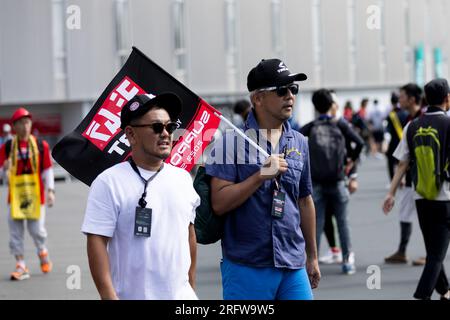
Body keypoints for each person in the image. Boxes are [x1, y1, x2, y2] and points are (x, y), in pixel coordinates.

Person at [206, 58, 320, 300]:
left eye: (293, 89)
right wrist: (259, 177)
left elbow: (305, 201)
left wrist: (312, 256)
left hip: (293, 264)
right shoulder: (230, 143)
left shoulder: (299, 142)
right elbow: (219, 202)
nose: (290, 96)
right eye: (281, 90)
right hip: (247, 266)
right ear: (257, 98)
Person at [81, 93, 199, 300]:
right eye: (156, 127)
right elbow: (97, 241)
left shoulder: (183, 178)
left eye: (169, 127)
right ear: (131, 134)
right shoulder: (108, 182)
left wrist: (190, 288)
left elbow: (189, 235)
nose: (165, 134)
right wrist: (109, 297)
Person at [383, 78, 450, 300]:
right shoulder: (448, 124)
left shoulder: (412, 125)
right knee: (436, 256)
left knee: (433, 250)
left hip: (420, 196)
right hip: (445, 197)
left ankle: (445, 291)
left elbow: (402, 163)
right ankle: (422, 296)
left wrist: (391, 193)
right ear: (447, 99)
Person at [301, 89, 364, 274]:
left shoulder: (310, 127)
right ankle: (347, 261)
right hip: (337, 181)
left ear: (315, 106)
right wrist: (350, 160)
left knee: (316, 223)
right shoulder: (341, 125)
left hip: (317, 182)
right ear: (332, 105)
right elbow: (360, 142)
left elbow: (293, 140)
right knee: (343, 222)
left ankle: (312, 262)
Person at [0, 107, 55, 281]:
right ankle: (21, 264)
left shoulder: (40, 145)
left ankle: (42, 251)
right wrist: (5, 169)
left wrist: (51, 191)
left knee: (37, 230)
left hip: (36, 195)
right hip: (15, 197)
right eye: (21, 123)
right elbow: (2, 173)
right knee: (15, 232)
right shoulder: (8, 147)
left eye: (27, 122)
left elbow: (47, 170)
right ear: (14, 126)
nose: (25, 126)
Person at [384, 84, 425, 266]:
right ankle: (402, 251)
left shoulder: (420, 120)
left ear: (412, 99)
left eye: (402, 96)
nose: (399, 99)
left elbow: (403, 160)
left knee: (428, 218)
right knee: (405, 213)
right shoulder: (411, 118)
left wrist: (391, 190)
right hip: (412, 178)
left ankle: (431, 254)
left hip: (423, 178)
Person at [385, 92, 408, 181]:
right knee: (404, 161)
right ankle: (404, 178)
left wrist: (385, 143)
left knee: (391, 162)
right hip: (404, 141)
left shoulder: (391, 115)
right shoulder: (406, 113)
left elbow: (387, 131)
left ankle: (393, 180)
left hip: (393, 143)